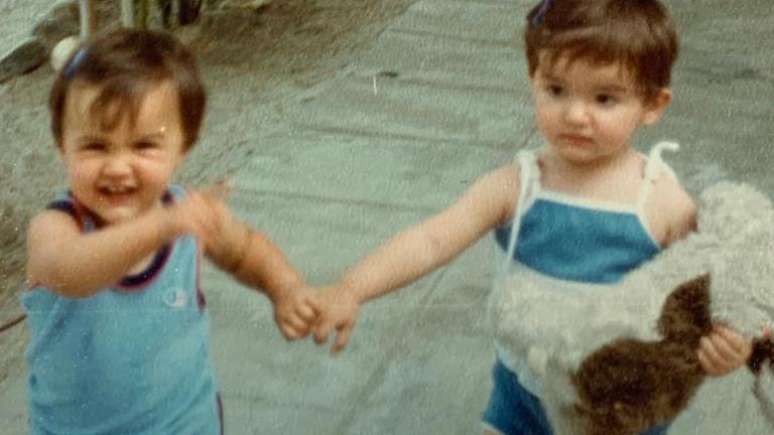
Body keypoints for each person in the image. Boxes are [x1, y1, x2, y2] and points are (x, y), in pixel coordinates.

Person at [308, 1, 752, 434]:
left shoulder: (660, 201)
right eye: (556, 90)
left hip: (620, 407)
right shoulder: (517, 185)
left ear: (652, 104)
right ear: (533, 80)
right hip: (523, 392)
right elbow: (432, 239)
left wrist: (736, 344)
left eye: (604, 98)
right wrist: (352, 287)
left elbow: (722, 283)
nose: (576, 115)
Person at [22, 28, 317, 434]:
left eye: (144, 146)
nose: (119, 166)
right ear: (62, 146)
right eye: (95, 146)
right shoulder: (56, 226)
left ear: (184, 146)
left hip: (184, 424)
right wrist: (159, 226)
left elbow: (245, 250)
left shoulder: (187, 215)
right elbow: (67, 271)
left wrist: (285, 287)